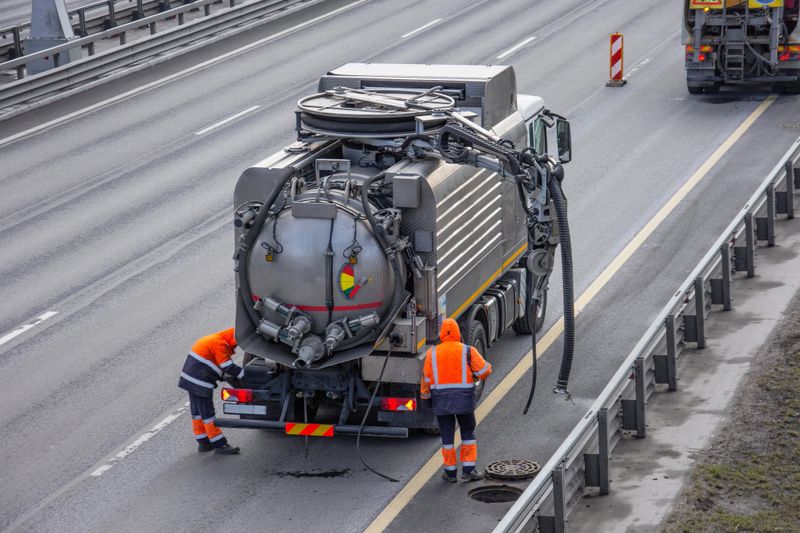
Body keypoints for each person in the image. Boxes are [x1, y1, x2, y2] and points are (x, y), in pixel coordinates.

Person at [420, 318, 492, 482]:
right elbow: (485, 371)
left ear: (442, 334)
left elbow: (426, 379)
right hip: (464, 401)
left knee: (447, 436)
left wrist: (425, 398)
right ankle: (469, 469)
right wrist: (475, 373)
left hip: (441, 401)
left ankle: (450, 472)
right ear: (458, 334)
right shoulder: (468, 351)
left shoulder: (432, 353)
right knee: (467, 433)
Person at [178, 328, 243, 455]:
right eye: (236, 344)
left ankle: (204, 442)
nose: (235, 348)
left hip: (190, 379)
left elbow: (216, 364)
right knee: (207, 413)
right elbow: (228, 367)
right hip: (200, 382)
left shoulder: (213, 339)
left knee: (197, 412)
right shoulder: (220, 343)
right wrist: (245, 374)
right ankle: (219, 444)